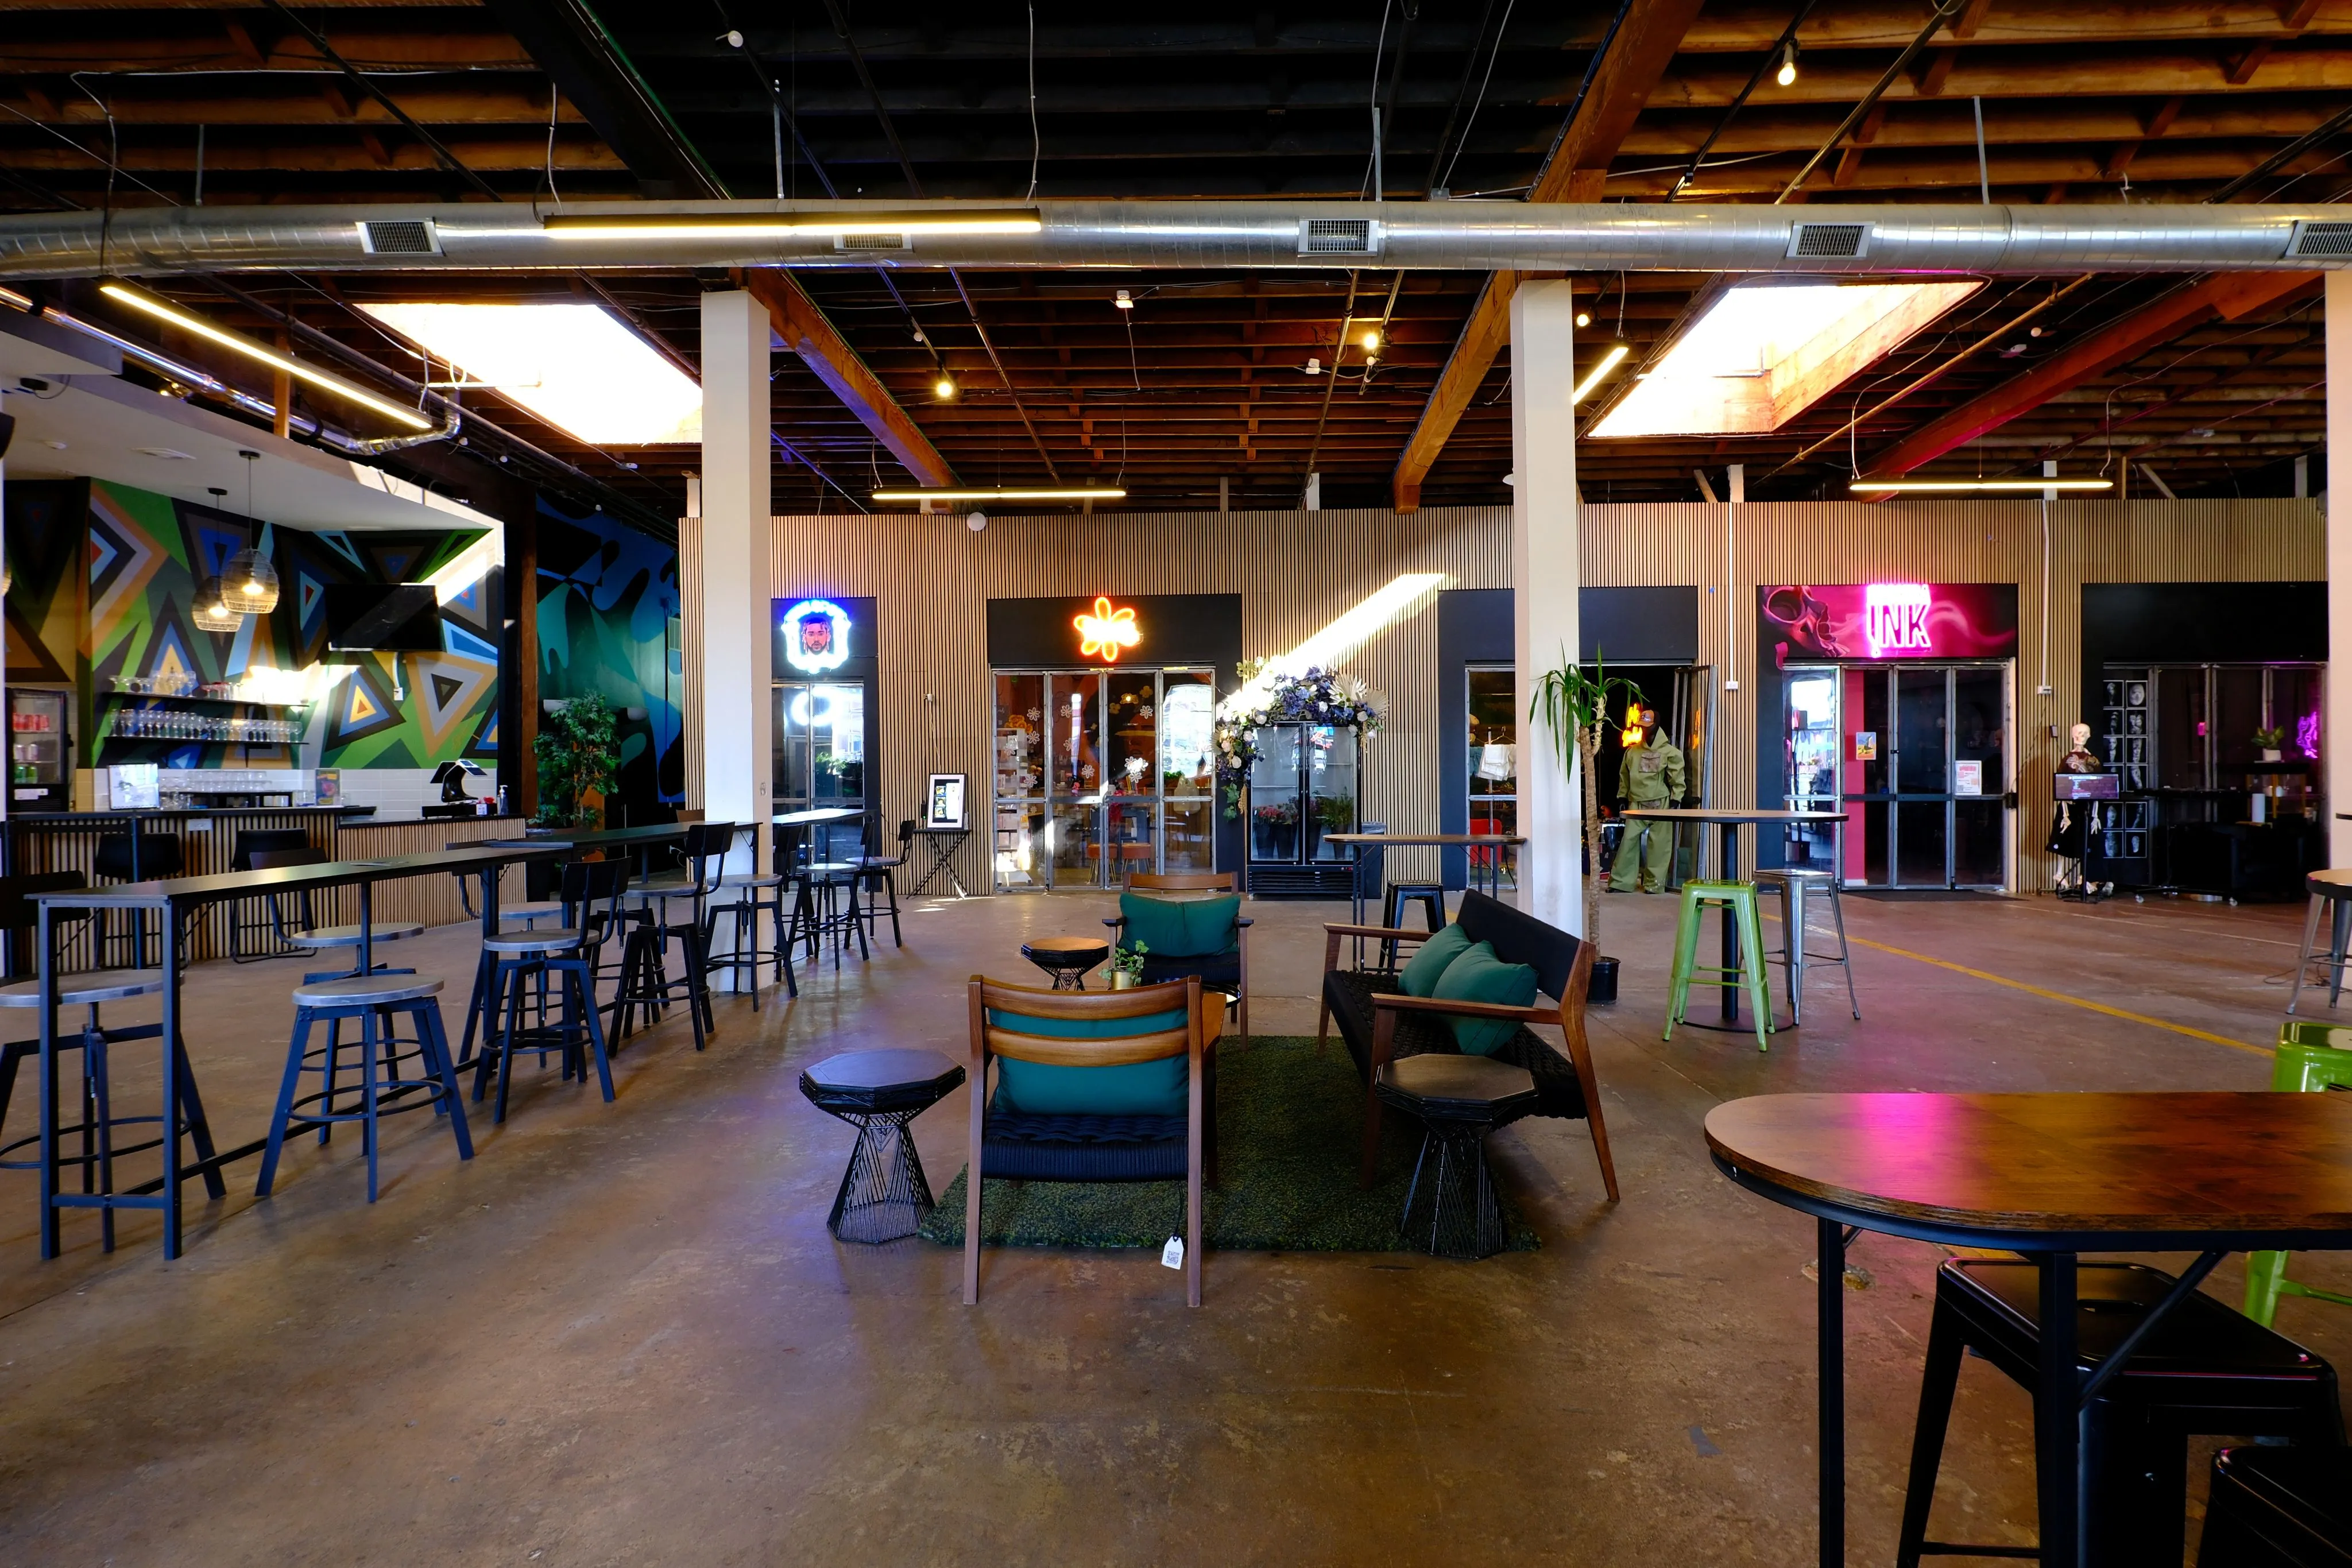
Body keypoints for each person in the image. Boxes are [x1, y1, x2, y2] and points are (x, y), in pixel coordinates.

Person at [1610, 708, 1685, 893]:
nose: (1645, 730)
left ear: (1656, 726)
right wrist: (1622, 795)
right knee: (1628, 842)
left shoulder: (1670, 752)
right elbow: (1624, 776)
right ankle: (1621, 882)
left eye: (1648, 727)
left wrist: (1677, 798)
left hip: (1661, 803)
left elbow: (1677, 776)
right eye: (1642, 727)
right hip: (1637, 803)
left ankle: (1655, 884)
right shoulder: (1632, 752)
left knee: (1660, 845)